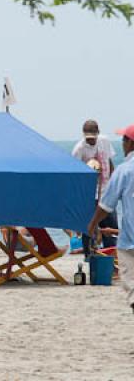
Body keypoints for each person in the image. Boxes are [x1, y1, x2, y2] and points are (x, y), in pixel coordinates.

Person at [88, 124, 134, 314]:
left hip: (130, 242)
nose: (122, 144)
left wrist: (92, 224)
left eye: (123, 140)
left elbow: (106, 205)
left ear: (130, 143)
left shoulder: (124, 171)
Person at [73, 120, 118, 250]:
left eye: (93, 138)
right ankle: (89, 254)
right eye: (88, 139)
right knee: (89, 227)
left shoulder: (105, 141)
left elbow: (109, 162)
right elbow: (76, 175)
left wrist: (113, 184)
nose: (91, 141)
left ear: (98, 133)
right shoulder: (79, 150)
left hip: (106, 191)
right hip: (89, 195)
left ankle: (111, 255)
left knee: (110, 227)